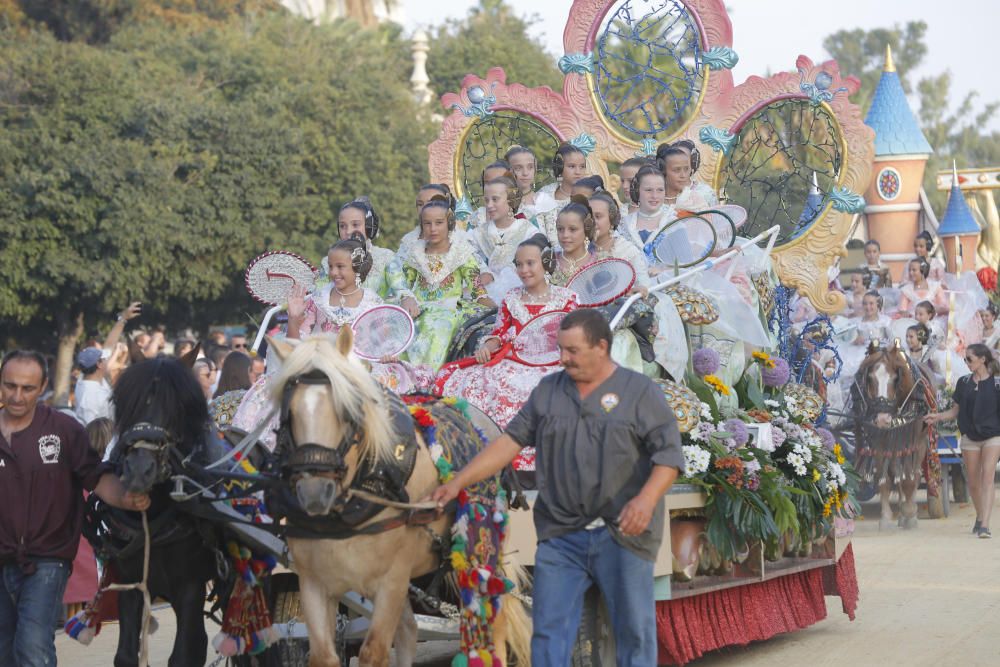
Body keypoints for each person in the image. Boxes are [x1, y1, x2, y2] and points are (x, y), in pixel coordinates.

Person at [431, 309, 684, 666]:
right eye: (560, 349)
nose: (562, 358)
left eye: (572, 351)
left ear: (601, 347)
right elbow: (508, 444)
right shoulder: (549, 391)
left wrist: (646, 500)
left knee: (634, 633)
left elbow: (668, 459)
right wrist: (457, 481)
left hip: (624, 535)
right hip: (562, 536)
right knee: (549, 633)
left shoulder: (639, 391)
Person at [0, 350, 150, 666]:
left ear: (42, 389)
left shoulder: (63, 430)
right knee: (5, 649)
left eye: (27, 388)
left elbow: (95, 477)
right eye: (9, 386)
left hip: (47, 558)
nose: (16, 396)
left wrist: (126, 498)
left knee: (32, 645)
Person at [434, 234, 578, 453]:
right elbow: (498, 335)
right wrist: (486, 347)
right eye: (519, 264)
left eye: (530, 263)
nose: (524, 270)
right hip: (515, 360)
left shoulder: (567, 298)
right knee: (482, 383)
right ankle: (495, 450)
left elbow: (575, 338)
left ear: (546, 263)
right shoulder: (511, 298)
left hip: (554, 362)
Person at [388, 196, 495, 370]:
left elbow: (477, 290)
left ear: (449, 223)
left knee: (437, 327)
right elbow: (404, 285)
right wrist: (406, 298)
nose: (433, 229)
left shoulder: (461, 253)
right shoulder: (415, 253)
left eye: (439, 223)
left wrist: (500, 313)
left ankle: (428, 376)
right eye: (427, 223)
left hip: (449, 311)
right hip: (419, 309)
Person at [925, 344, 1000, 538]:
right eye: (965, 359)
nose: (966, 362)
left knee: (987, 477)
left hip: (993, 436)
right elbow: (955, 411)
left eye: (969, 359)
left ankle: (985, 524)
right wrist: (937, 417)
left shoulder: (997, 383)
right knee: (973, 481)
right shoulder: (963, 382)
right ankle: (980, 515)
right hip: (970, 437)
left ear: (982, 360)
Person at [468, 175, 537, 304]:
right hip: (490, 290)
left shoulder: (527, 230)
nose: (489, 205)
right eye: (486, 200)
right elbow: (469, 254)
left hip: (522, 287)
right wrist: (484, 271)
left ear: (511, 200)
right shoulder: (479, 233)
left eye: (495, 199)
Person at [324, 197, 396, 298]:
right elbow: (320, 295)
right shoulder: (328, 261)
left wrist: (407, 298)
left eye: (355, 225)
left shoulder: (386, 258)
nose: (348, 231)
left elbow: (402, 290)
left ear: (369, 227)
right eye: (342, 226)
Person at [536, 143, 588, 241]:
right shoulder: (544, 196)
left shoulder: (591, 198)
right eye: (572, 166)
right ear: (559, 168)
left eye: (582, 166)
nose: (578, 172)